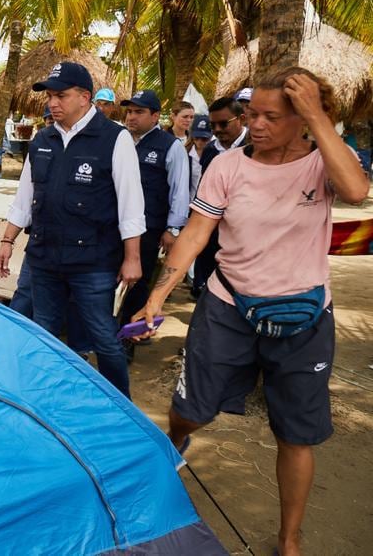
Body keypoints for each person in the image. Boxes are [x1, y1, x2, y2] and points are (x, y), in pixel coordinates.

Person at [131, 68, 368, 556]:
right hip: (227, 308)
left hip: (305, 317)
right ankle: (177, 438)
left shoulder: (322, 162)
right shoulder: (227, 167)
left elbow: (355, 190)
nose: (255, 125)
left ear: (304, 118)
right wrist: (157, 296)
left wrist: (319, 118)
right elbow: (196, 234)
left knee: (295, 436)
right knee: (190, 412)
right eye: (250, 114)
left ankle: (289, 539)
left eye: (270, 117)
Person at [0, 62, 144, 397]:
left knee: (103, 337)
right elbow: (25, 197)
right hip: (45, 257)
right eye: (50, 96)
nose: (53, 103)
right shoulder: (42, 139)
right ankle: (47, 398)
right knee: (43, 333)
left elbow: (131, 204)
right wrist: (7, 239)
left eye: (60, 95)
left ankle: (119, 406)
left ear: (84, 97)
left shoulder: (114, 139)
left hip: (93, 262)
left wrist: (132, 257)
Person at [118, 90, 190, 361]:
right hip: (115, 227)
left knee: (137, 285)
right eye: (129, 111)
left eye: (139, 112)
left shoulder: (170, 147)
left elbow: (180, 191)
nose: (131, 117)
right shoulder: (121, 140)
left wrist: (173, 229)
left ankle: (129, 341)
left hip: (148, 229)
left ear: (156, 116)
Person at [193, 96, 248, 297]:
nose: (217, 130)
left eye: (223, 124)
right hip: (211, 228)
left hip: (243, 231)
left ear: (241, 119)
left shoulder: (256, 146)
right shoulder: (210, 149)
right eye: (212, 125)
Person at [188, 115, 213, 199]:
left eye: (204, 139)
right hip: (189, 202)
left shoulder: (216, 154)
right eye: (196, 138)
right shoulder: (185, 153)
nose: (199, 142)